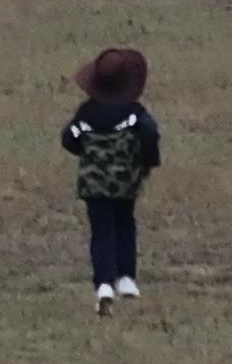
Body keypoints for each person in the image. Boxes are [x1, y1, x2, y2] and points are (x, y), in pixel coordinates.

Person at [60, 47, 161, 312]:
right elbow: (150, 133)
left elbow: (68, 138)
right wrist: (147, 161)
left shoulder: (86, 114)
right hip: (126, 181)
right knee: (125, 225)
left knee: (101, 232)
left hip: (93, 183)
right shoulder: (134, 113)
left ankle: (103, 284)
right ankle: (126, 278)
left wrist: (88, 152)